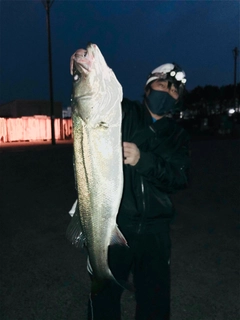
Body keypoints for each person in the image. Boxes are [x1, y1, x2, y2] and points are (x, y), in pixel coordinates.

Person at [67, 61, 190, 320]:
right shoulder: (122, 114)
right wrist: (81, 69)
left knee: (154, 303)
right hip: (115, 226)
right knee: (104, 300)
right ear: (146, 88)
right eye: (161, 85)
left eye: (174, 90)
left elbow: (179, 178)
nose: (167, 93)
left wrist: (142, 160)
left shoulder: (178, 136)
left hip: (156, 234)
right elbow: (96, 99)